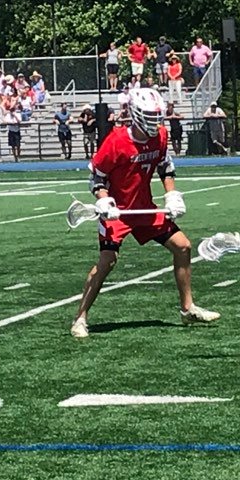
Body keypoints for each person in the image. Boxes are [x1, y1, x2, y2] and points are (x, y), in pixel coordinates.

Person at [70, 87, 219, 338]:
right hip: (117, 212)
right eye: (149, 116)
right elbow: (96, 178)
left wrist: (172, 194)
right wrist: (104, 201)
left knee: (183, 247)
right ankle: (80, 318)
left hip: (144, 208)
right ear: (136, 114)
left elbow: (165, 167)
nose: (154, 122)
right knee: (107, 261)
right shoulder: (116, 141)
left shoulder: (160, 135)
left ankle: (187, 309)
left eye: (156, 116)